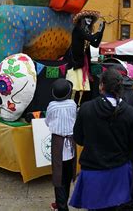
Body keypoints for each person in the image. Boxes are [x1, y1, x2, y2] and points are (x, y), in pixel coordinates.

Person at [70, 68, 133, 210]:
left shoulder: (86, 108)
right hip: (119, 170)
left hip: (93, 170)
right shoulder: (129, 112)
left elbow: (78, 138)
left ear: (101, 85)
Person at [45, 79, 77, 211]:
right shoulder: (73, 104)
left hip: (58, 142)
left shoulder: (51, 105)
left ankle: (61, 206)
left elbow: (48, 122)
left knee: (59, 176)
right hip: (71, 142)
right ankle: (62, 203)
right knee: (68, 174)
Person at [65, 10, 105, 104]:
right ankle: (71, 104)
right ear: (82, 19)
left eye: (91, 18)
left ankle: (78, 105)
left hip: (83, 63)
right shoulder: (78, 29)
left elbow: (95, 44)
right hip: (75, 62)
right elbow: (91, 38)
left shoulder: (86, 32)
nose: (90, 20)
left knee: (81, 87)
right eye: (87, 17)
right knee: (74, 85)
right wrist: (99, 31)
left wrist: (101, 31)